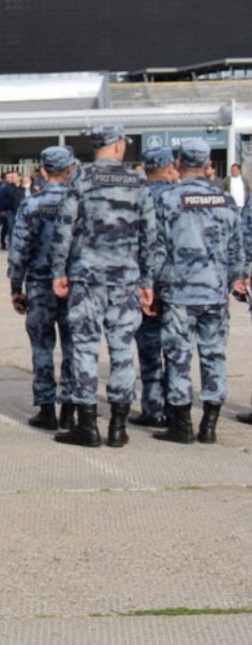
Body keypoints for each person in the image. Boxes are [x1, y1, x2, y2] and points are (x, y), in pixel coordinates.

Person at [49, 123, 162, 449]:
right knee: (122, 351)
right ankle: (117, 427)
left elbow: (64, 227)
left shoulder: (81, 177)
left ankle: (86, 426)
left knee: (84, 349)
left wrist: (59, 269)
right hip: (124, 279)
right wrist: (147, 280)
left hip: (87, 277)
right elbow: (149, 234)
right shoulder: (137, 180)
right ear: (116, 146)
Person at [151, 139, 247, 445]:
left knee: (178, 357)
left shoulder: (167, 199)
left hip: (178, 293)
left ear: (178, 162)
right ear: (208, 164)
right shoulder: (224, 200)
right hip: (215, 293)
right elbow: (237, 249)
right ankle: (209, 424)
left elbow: (156, 249)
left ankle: (181, 426)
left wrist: (151, 286)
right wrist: (232, 280)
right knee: (213, 355)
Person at [9, 147, 79, 431]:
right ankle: (70, 408)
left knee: (42, 346)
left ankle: (47, 408)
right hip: (74, 285)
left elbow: (19, 249)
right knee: (74, 346)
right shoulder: (80, 202)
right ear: (70, 169)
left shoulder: (32, 204)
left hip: (39, 284)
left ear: (43, 170)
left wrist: (16, 286)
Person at [133, 145, 180, 428]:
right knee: (175, 347)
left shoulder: (136, 198)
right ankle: (176, 405)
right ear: (169, 166)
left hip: (143, 283)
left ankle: (152, 407)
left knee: (148, 347)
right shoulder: (177, 197)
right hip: (175, 282)